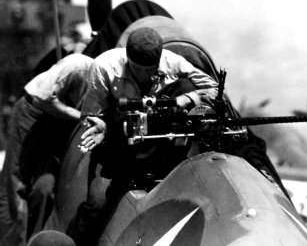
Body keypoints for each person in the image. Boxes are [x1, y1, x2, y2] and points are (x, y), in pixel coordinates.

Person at [67, 27, 219, 245]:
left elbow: (214, 88)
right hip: (115, 145)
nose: (146, 75)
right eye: (139, 69)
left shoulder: (173, 63)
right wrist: (101, 127)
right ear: (128, 59)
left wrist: (190, 97)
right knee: (96, 204)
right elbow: (90, 115)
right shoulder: (105, 67)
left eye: (152, 70)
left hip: (159, 146)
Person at [0, 53, 94, 246]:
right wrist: (77, 115)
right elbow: (40, 99)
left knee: (44, 187)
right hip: (31, 114)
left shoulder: (108, 83)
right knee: (15, 184)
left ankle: (35, 240)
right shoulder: (77, 66)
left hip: (56, 123)